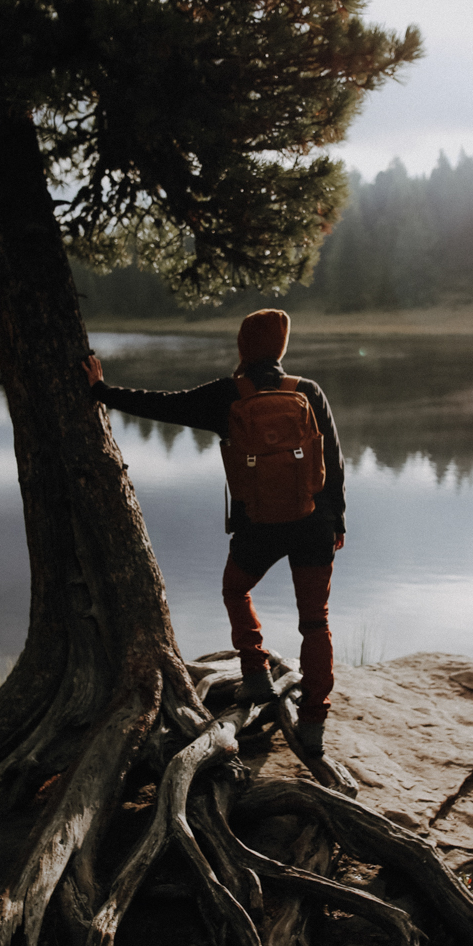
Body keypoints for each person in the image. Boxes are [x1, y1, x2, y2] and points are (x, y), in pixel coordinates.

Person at [81, 308, 345, 756]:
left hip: (259, 526)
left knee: (235, 589)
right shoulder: (307, 391)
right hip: (312, 522)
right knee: (315, 622)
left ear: (245, 348)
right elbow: (333, 462)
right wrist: (335, 520)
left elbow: (162, 404)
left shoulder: (229, 394)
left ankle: (256, 672)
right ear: (280, 348)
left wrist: (102, 392)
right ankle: (314, 720)